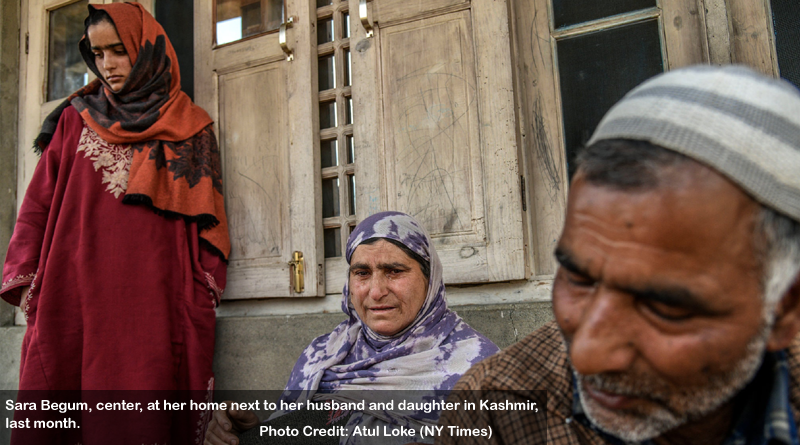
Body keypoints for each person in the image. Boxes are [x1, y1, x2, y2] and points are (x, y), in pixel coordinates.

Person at [431, 65, 800, 444]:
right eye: (579, 279)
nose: (588, 356)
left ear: (784, 309)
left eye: (664, 307)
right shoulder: (495, 412)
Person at [1, 3, 229, 444]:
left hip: (155, 303)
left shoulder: (189, 126)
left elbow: (211, 227)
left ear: (145, 50)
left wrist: (200, 292)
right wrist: (31, 288)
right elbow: (36, 208)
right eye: (98, 53)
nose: (108, 65)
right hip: (73, 296)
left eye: (118, 51)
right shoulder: (75, 119)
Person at [204, 211, 500, 445]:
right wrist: (252, 435)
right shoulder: (324, 354)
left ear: (430, 279)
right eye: (362, 273)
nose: (376, 291)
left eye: (394, 271)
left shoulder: (482, 370)